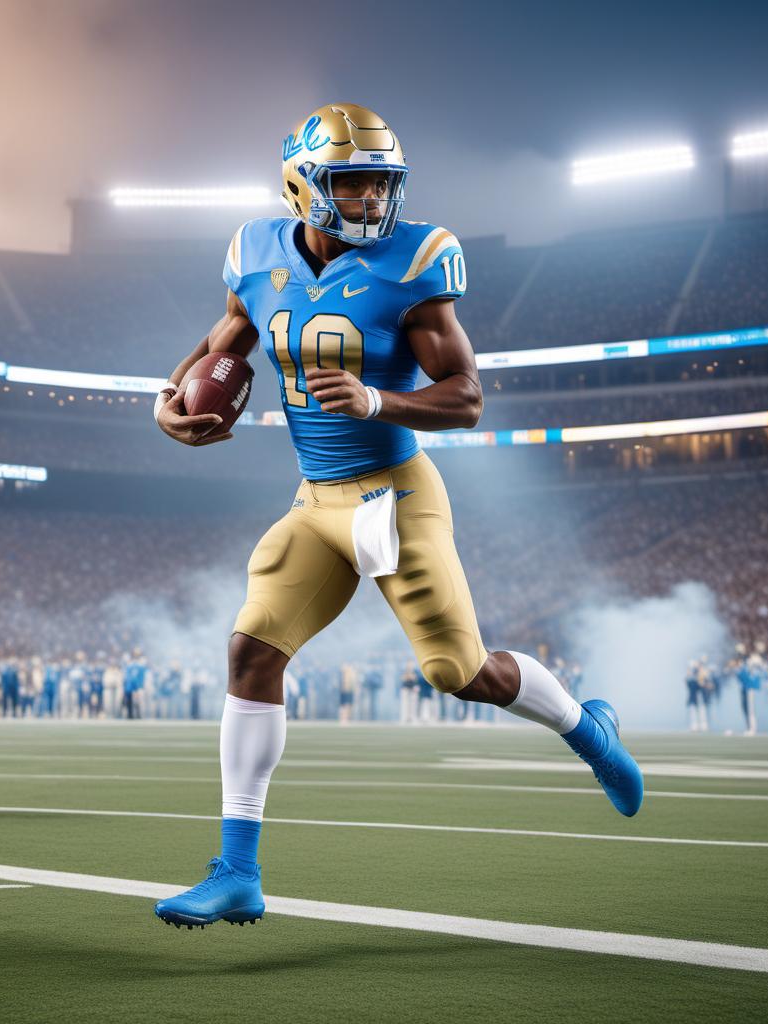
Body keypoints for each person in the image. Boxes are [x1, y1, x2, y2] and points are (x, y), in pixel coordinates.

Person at [153, 104, 642, 928]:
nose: (373, 199)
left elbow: (469, 398)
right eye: (353, 182)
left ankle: (586, 728)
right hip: (315, 503)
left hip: (394, 493)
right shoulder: (254, 253)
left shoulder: (415, 262)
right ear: (302, 185)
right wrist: (166, 403)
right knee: (249, 653)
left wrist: (381, 397)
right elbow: (223, 344)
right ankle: (238, 870)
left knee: (459, 673)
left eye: (382, 181)